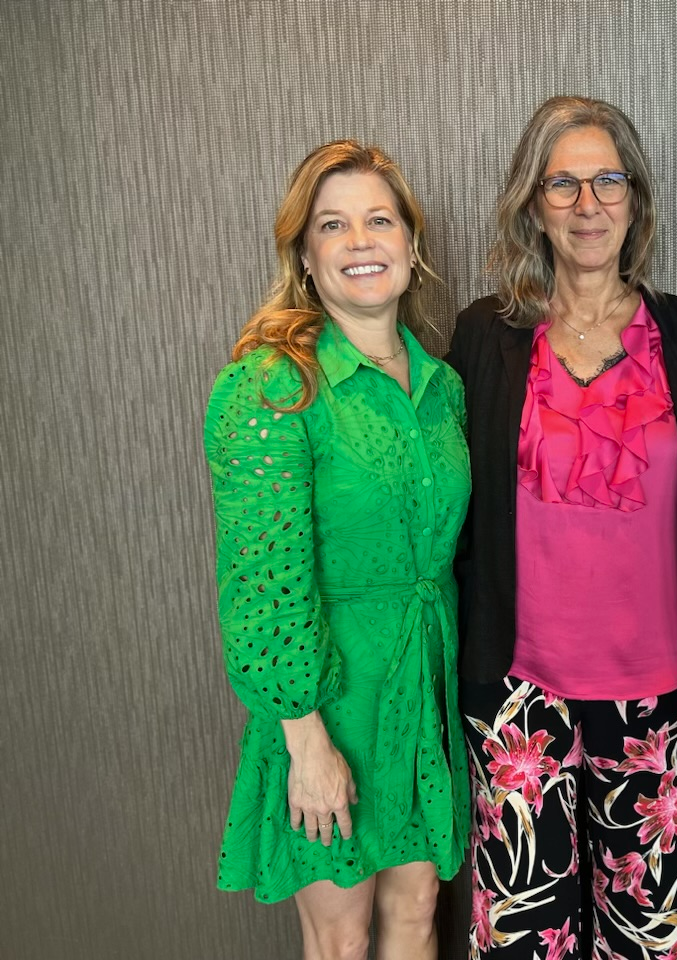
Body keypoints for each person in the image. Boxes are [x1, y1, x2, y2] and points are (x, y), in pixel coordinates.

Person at [448, 96, 677, 960]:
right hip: (518, 690)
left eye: (607, 179)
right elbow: (450, 506)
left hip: (653, 695)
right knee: (524, 936)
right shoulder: (486, 335)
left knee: (645, 934)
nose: (588, 203)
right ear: (533, 201)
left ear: (635, 197)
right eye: (563, 183)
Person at [204, 140, 469, 960]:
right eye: (334, 225)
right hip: (330, 703)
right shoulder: (272, 386)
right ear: (306, 256)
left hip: (421, 689)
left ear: (411, 245)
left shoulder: (442, 387)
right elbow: (264, 583)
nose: (361, 241)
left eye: (379, 220)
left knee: (418, 913)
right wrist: (304, 739)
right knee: (341, 939)